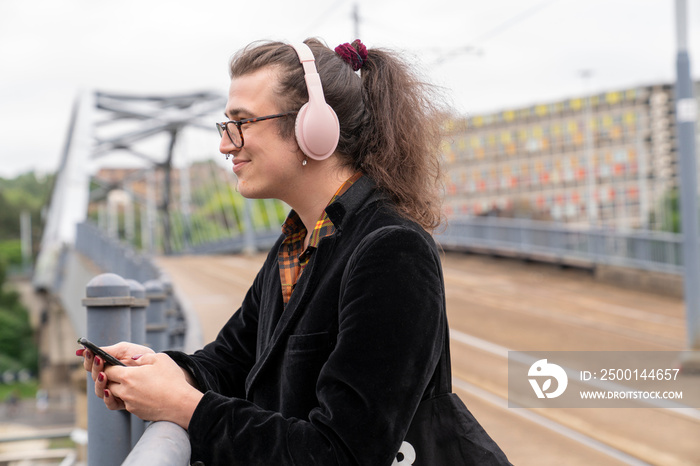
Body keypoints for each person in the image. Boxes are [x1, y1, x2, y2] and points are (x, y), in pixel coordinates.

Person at [80, 38, 460, 464]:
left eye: (242, 122)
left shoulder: (393, 252)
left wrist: (184, 408)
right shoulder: (296, 243)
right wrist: (170, 370)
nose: (226, 144)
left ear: (313, 128)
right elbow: (231, 361)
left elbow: (343, 453)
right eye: (226, 124)